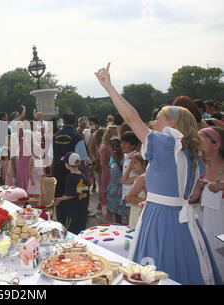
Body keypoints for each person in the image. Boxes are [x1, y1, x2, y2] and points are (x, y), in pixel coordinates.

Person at [95, 62, 222, 285]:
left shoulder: (167, 143)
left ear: (172, 123)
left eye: (160, 117)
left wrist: (110, 88)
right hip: (182, 222)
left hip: (160, 220)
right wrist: (160, 199)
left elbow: (133, 119)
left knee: (155, 271)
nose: (153, 121)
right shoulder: (191, 153)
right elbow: (190, 196)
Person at [190, 127, 224, 279]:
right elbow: (194, 196)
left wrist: (221, 185)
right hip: (207, 218)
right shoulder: (201, 166)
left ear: (216, 145)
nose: (197, 144)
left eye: (201, 141)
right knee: (209, 252)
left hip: (221, 218)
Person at [51, 112, 89, 198]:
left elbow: (52, 158)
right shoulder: (77, 137)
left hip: (58, 172)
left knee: (59, 198)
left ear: (63, 121)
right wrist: (85, 177)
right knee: (73, 198)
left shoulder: (55, 136)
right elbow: (82, 159)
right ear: (74, 121)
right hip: (73, 173)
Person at [53, 152, 90, 234]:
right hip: (83, 210)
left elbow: (70, 195)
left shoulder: (70, 178)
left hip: (73, 212)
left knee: (70, 232)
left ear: (67, 164)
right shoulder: (83, 177)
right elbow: (80, 191)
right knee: (81, 232)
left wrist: (59, 199)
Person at [98, 125, 119, 220]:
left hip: (115, 174)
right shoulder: (105, 147)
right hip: (107, 174)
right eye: (114, 133)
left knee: (114, 196)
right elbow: (102, 163)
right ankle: (109, 219)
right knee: (108, 196)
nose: (116, 134)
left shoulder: (115, 144)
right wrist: (111, 173)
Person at [120, 131, 141, 223]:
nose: (122, 145)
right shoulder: (127, 156)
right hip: (127, 193)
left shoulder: (135, 158)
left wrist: (128, 180)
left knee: (133, 219)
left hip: (133, 193)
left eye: (125, 143)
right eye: (122, 142)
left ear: (133, 145)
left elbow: (139, 174)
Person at [123, 152, 148, 228]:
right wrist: (130, 167)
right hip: (136, 209)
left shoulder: (142, 178)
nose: (132, 165)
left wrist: (142, 201)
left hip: (139, 211)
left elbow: (127, 198)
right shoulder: (137, 177)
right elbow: (124, 180)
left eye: (135, 162)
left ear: (143, 164)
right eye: (131, 162)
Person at [106, 136, 125, 223]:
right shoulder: (112, 157)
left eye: (117, 146)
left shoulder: (125, 158)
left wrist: (117, 160)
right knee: (115, 211)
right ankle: (118, 225)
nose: (114, 148)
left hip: (122, 187)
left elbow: (123, 170)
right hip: (114, 187)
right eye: (112, 146)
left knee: (124, 209)